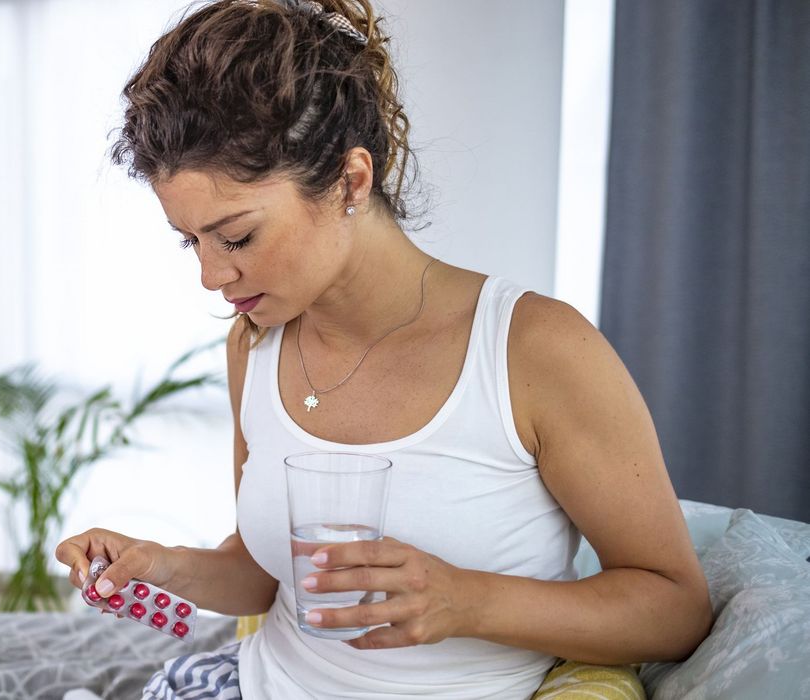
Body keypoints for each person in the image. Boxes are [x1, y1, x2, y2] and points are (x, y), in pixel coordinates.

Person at [55, 0, 713, 697]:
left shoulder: (534, 350)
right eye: (192, 242)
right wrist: (161, 565)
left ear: (351, 180)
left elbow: (676, 608)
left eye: (238, 236)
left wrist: (468, 601)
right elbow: (261, 571)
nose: (212, 277)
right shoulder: (256, 344)